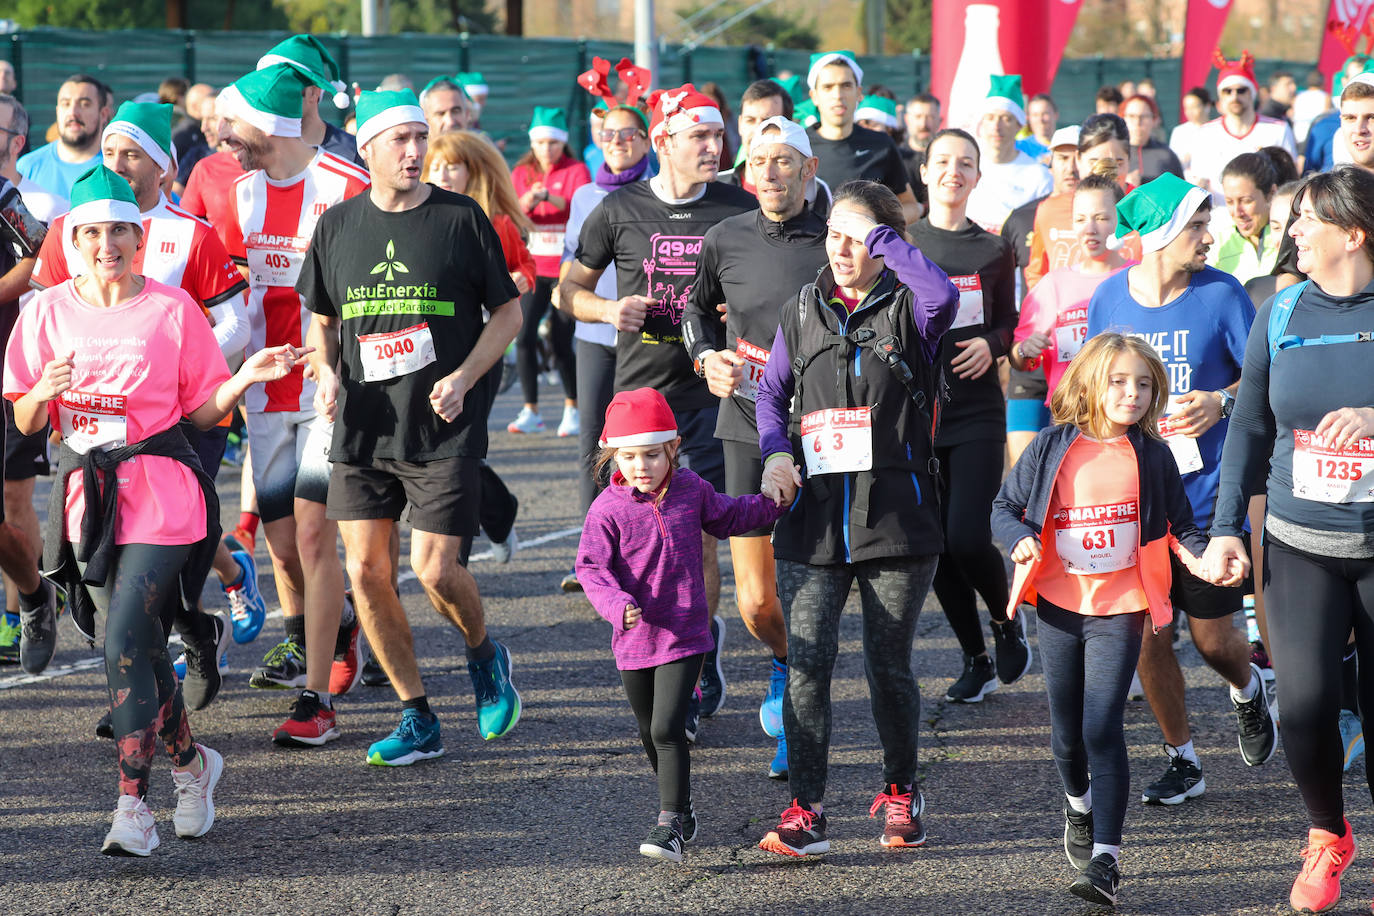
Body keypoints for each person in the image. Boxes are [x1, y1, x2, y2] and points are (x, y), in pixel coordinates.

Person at [3, 164, 309, 855]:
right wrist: (40, 392)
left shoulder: (172, 310)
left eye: (119, 230)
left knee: (121, 645)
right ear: (72, 239)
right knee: (138, 648)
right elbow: (24, 423)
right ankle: (195, 767)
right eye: (92, 232)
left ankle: (132, 807)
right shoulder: (45, 312)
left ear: (138, 238)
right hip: (89, 496)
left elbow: (199, 410)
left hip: (165, 488)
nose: (106, 243)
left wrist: (242, 379)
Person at [298, 90, 524, 761]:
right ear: (366, 149)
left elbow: (507, 315)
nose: (414, 151)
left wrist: (465, 376)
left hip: (441, 426)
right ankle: (416, 715)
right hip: (364, 429)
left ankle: (485, 657)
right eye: (398, 139)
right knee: (365, 573)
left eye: (419, 138)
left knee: (435, 571)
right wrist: (327, 372)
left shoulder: (461, 219)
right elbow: (324, 320)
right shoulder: (338, 226)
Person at [29, 100, 259, 709]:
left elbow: (238, 316)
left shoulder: (191, 233)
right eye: (109, 152)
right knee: (122, 558)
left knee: (169, 544)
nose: (118, 164)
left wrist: (179, 360)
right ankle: (174, 656)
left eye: (132, 154)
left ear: (163, 165)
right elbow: (45, 312)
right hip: (99, 432)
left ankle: (144, 686)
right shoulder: (74, 228)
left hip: (181, 417)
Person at [753, 180, 957, 857]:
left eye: (859, 236)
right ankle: (805, 809)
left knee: (886, 666)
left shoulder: (912, 309)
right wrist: (776, 455)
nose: (842, 248)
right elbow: (772, 393)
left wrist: (882, 237)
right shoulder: (800, 310)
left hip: (896, 520)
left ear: (885, 243)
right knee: (807, 664)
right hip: (812, 522)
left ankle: (901, 794)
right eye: (834, 233)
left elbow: (943, 296)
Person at [1203, 165, 1374, 914]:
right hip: (1300, 541)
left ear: (1353, 233)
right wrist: (1224, 528)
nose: (1292, 232)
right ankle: (1327, 834)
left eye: (1306, 220)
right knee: (1303, 707)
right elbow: (1248, 423)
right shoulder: (1280, 310)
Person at [992, 333, 1212, 907]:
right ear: (1089, 381)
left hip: (1121, 607)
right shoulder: (1051, 445)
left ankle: (1106, 861)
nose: (1132, 394)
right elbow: (1003, 508)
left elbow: (1181, 526)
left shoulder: (1152, 453)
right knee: (1066, 731)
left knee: (1101, 726)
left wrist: (1208, 556)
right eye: (1119, 381)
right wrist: (1017, 540)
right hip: (1061, 604)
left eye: (1143, 384)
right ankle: (1078, 805)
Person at [562, 84, 758, 725]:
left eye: (718, 135)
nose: (714, 146)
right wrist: (606, 309)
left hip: (716, 390)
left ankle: (694, 656)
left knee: (695, 531)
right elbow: (569, 290)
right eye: (699, 136)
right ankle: (680, 645)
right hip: (643, 396)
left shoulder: (738, 205)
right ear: (664, 141)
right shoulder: (619, 209)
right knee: (644, 544)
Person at [1086, 173, 1276, 805]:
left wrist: (1220, 402)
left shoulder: (1222, 295)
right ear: (1162, 235)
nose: (1209, 235)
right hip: (1136, 500)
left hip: (1205, 500)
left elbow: (1262, 381)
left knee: (1215, 641)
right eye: (1196, 225)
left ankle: (1247, 690)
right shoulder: (1109, 299)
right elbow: (1092, 393)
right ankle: (1183, 757)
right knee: (1146, 635)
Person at [217, 64, 370, 724]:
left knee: (313, 535)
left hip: (329, 389)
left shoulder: (347, 185)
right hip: (264, 389)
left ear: (274, 123)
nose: (224, 137)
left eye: (235, 125)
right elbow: (231, 300)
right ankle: (333, 632)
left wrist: (339, 363)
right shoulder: (240, 194)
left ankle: (319, 698)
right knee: (283, 547)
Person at [577, 387, 784, 862]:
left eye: (652, 454)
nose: (641, 466)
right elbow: (591, 569)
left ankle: (670, 822)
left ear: (673, 448)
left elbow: (731, 515)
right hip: (633, 640)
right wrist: (616, 605)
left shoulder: (691, 489)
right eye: (628, 456)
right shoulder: (606, 509)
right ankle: (683, 806)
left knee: (669, 727)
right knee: (650, 730)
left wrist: (775, 503)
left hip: (686, 635)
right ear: (613, 455)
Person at [681, 116, 827, 780]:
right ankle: (787, 665)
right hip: (744, 425)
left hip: (823, 430)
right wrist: (706, 355)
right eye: (759, 162)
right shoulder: (725, 238)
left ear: (809, 168)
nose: (769, 173)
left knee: (814, 587)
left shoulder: (837, 241)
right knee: (755, 601)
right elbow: (692, 310)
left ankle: (800, 716)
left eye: (784, 161)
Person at [910, 128, 1029, 702]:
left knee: (966, 535)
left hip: (977, 409)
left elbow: (1011, 321)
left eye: (965, 163)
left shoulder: (992, 248)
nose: (953, 171)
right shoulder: (901, 245)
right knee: (934, 544)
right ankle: (974, 657)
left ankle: (1006, 622)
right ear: (925, 171)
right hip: (914, 416)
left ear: (978, 177)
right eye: (942, 161)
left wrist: (995, 344)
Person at [558, 83, 653, 594]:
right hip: (595, 332)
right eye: (608, 133)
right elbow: (573, 267)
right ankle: (592, 556)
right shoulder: (585, 196)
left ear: (646, 140)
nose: (617, 141)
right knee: (593, 443)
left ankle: (645, 549)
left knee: (644, 444)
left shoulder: (657, 192)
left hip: (649, 340)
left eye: (628, 134)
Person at [423, 128, 532, 564]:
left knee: (458, 451)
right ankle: (500, 511)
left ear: (473, 172)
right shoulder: (419, 216)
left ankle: (455, 557)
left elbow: (523, 267)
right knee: (445, 452)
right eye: (436, 165)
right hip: (427, 352)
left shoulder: (495, 220)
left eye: (452, 165)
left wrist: (522, 280)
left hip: (481, 355)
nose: (443, 173)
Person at [1012, 170, 1131, 405]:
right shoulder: (1053, 284)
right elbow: (1022, 362)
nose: (1089, 229)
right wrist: (1026, 350)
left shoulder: (1140, 277)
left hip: (1128, 415)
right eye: (1080, 219)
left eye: (1101, 218)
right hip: (1070, 418)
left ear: (1121, 221)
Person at [509, 106, 590, 437]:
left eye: (553, 143)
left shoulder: (576, 169)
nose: (546, 149)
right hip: (532, 267)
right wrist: (527, 202)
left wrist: (554, 200)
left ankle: (572, 406)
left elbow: (584, 206)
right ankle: (531, 410)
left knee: (560, 337)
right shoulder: (521, 171)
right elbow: (511, 211)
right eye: (540, 143)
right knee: (524, 336)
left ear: (563, 143)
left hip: (565, 268)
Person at [803, 51, 920, 223]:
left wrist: (873, 225)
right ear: (814, 96)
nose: (838, 95)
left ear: (859, 93)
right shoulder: (799, 146)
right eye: (828, 87)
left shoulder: (881, 144)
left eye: (846, 86)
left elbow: (911, 206)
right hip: (810, 249)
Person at [1188, 51, 1297, 201]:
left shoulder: (1278, 130)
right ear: (1221, 96)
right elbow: (1198, 182)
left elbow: (1290, 182)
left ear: (1251, 93)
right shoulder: (1205, 134)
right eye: (1228, 91)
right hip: (1219, 219)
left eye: (1241, 90)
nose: (1234, 97)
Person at [720, 79, 833, 218]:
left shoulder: (816, 190)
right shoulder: (716, 185)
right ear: (739, 124)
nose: (757, 130)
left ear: (789, 126)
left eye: (767, 122)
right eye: (750, 120)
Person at [965, 74, 1053, 234]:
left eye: (1006, 118)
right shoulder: (965, 168)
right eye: (990, 118)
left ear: (1019, 125)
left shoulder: (1039, 176)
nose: (996, 126)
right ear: (981, 123)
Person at [257, 35, 361, 166]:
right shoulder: (262, 154)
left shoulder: (352, 153)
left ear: (313, 92)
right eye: (271, 91)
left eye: (285, 89)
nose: (275, 99)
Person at [17, 73, 110, 200]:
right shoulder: (26, 168)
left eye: (84, 104)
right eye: (65, 104)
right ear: (57, 111)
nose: (73, 113)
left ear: (104, 114)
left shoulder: (116, 168)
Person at [1207, 152, 1279, 285]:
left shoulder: (1292, 237)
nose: (1237, 212)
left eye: (1246, 201)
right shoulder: (1217, 242)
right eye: (1229, 201)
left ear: (1271, 193)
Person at [1120, 95, 1183, 186]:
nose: (1137, 122)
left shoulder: (1166, 154)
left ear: (1154, 120)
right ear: (1123, 118)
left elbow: (1181, 192)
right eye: (1131, 116)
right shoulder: (1115, 152)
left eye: (1144, 117)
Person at [1170, 87, 1213, 177]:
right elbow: (1173, 164)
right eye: (1186, 108)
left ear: (1207, 106)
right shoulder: (1179, 131)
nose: (1189, 112)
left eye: (1194, 107)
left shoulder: (1216, 130)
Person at [1017, 93, 1059, 162]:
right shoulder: (1019, 148)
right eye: (1035, 115)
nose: (1040, 120)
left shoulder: (1067, 146)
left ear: (1056, 114)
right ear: (1028, 118)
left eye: (1045, 113)